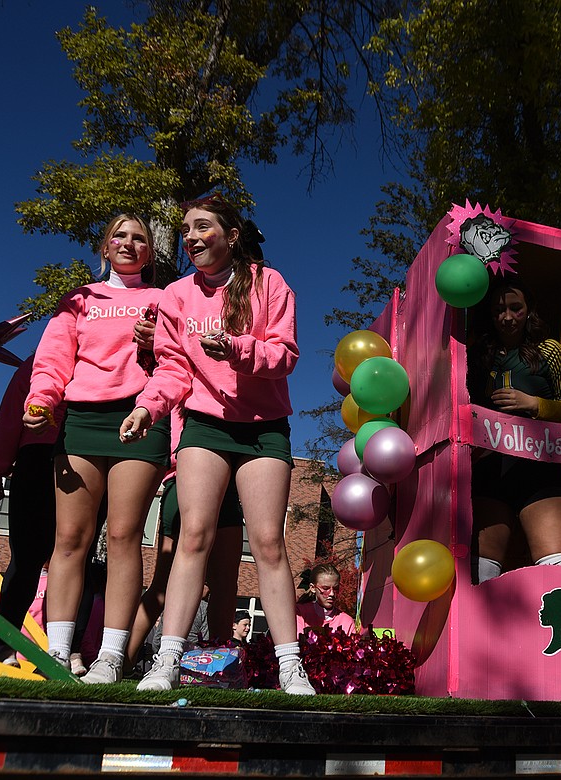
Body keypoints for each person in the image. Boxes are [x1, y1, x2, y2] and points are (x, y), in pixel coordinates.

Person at [120, 195, 313, 694]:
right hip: (204, 423)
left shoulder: (270, 284)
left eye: (202, 227)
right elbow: (171, 368)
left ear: (231, 235)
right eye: (185, 230)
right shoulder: (177, 296)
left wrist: (237, 349)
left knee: (269, 542)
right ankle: (167, 658)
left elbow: (285, 354)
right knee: (194, 536)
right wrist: (147, 407)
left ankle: (291, 666)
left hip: (264, 424)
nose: (191, 237)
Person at [24, 214, 170, 684]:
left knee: (126, 534)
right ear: (105, 247)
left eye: (139, 237)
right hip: (83, 419)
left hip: (141, 418)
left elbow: (177, 363)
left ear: (150, 252)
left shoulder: (163, 300)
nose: (129, 243)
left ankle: (110, 656)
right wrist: (41, 401)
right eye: (119, 236)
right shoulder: (78, 299)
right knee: (70, 539)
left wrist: (160, 345)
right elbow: (52, 359)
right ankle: (58, 652)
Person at [467, 277, 561, 583]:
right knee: (480, 574)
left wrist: (534, 404)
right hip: (489, 469)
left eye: (516, 308)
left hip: (541, 467)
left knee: (557, 571)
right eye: (499, 310)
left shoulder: (549, 351)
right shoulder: (476, 357)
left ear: (529, 310)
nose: (507, 317)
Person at [126, 413, 246, 667]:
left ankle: (217, 667)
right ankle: (122, 659)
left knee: (223, 584)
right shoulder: (186, 390)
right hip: (186, 479)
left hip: (226, 485)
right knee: (164, 584)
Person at [0, 354, 68, 667]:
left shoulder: (39, 360)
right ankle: (70, 649)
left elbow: (8, 421)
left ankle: (5, 645)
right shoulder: (43, 361)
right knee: (71, 556)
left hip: (43, 455)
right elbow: (12, 417)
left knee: (29, 559)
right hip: (76, 457)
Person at [296, 564, 355, 634]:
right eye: (325, 588)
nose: (332, 594)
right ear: (313, 588)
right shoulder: (300, 613)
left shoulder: (347, 621)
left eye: (336, 588)